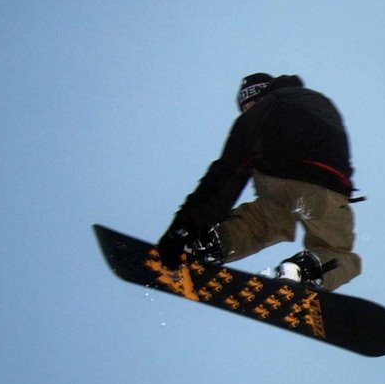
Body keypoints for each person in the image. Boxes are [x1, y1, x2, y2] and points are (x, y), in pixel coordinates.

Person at [155, 73, 363, 291]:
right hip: (327, 188)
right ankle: (302, 271)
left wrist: (185, 225)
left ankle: (210, 245)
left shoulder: (263, 111)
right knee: (337, 251)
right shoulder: (318, 101)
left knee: (267, 217)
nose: (245, 112)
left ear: (257, 96)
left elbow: (227, 173)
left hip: (276, 179)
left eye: (246, 106)